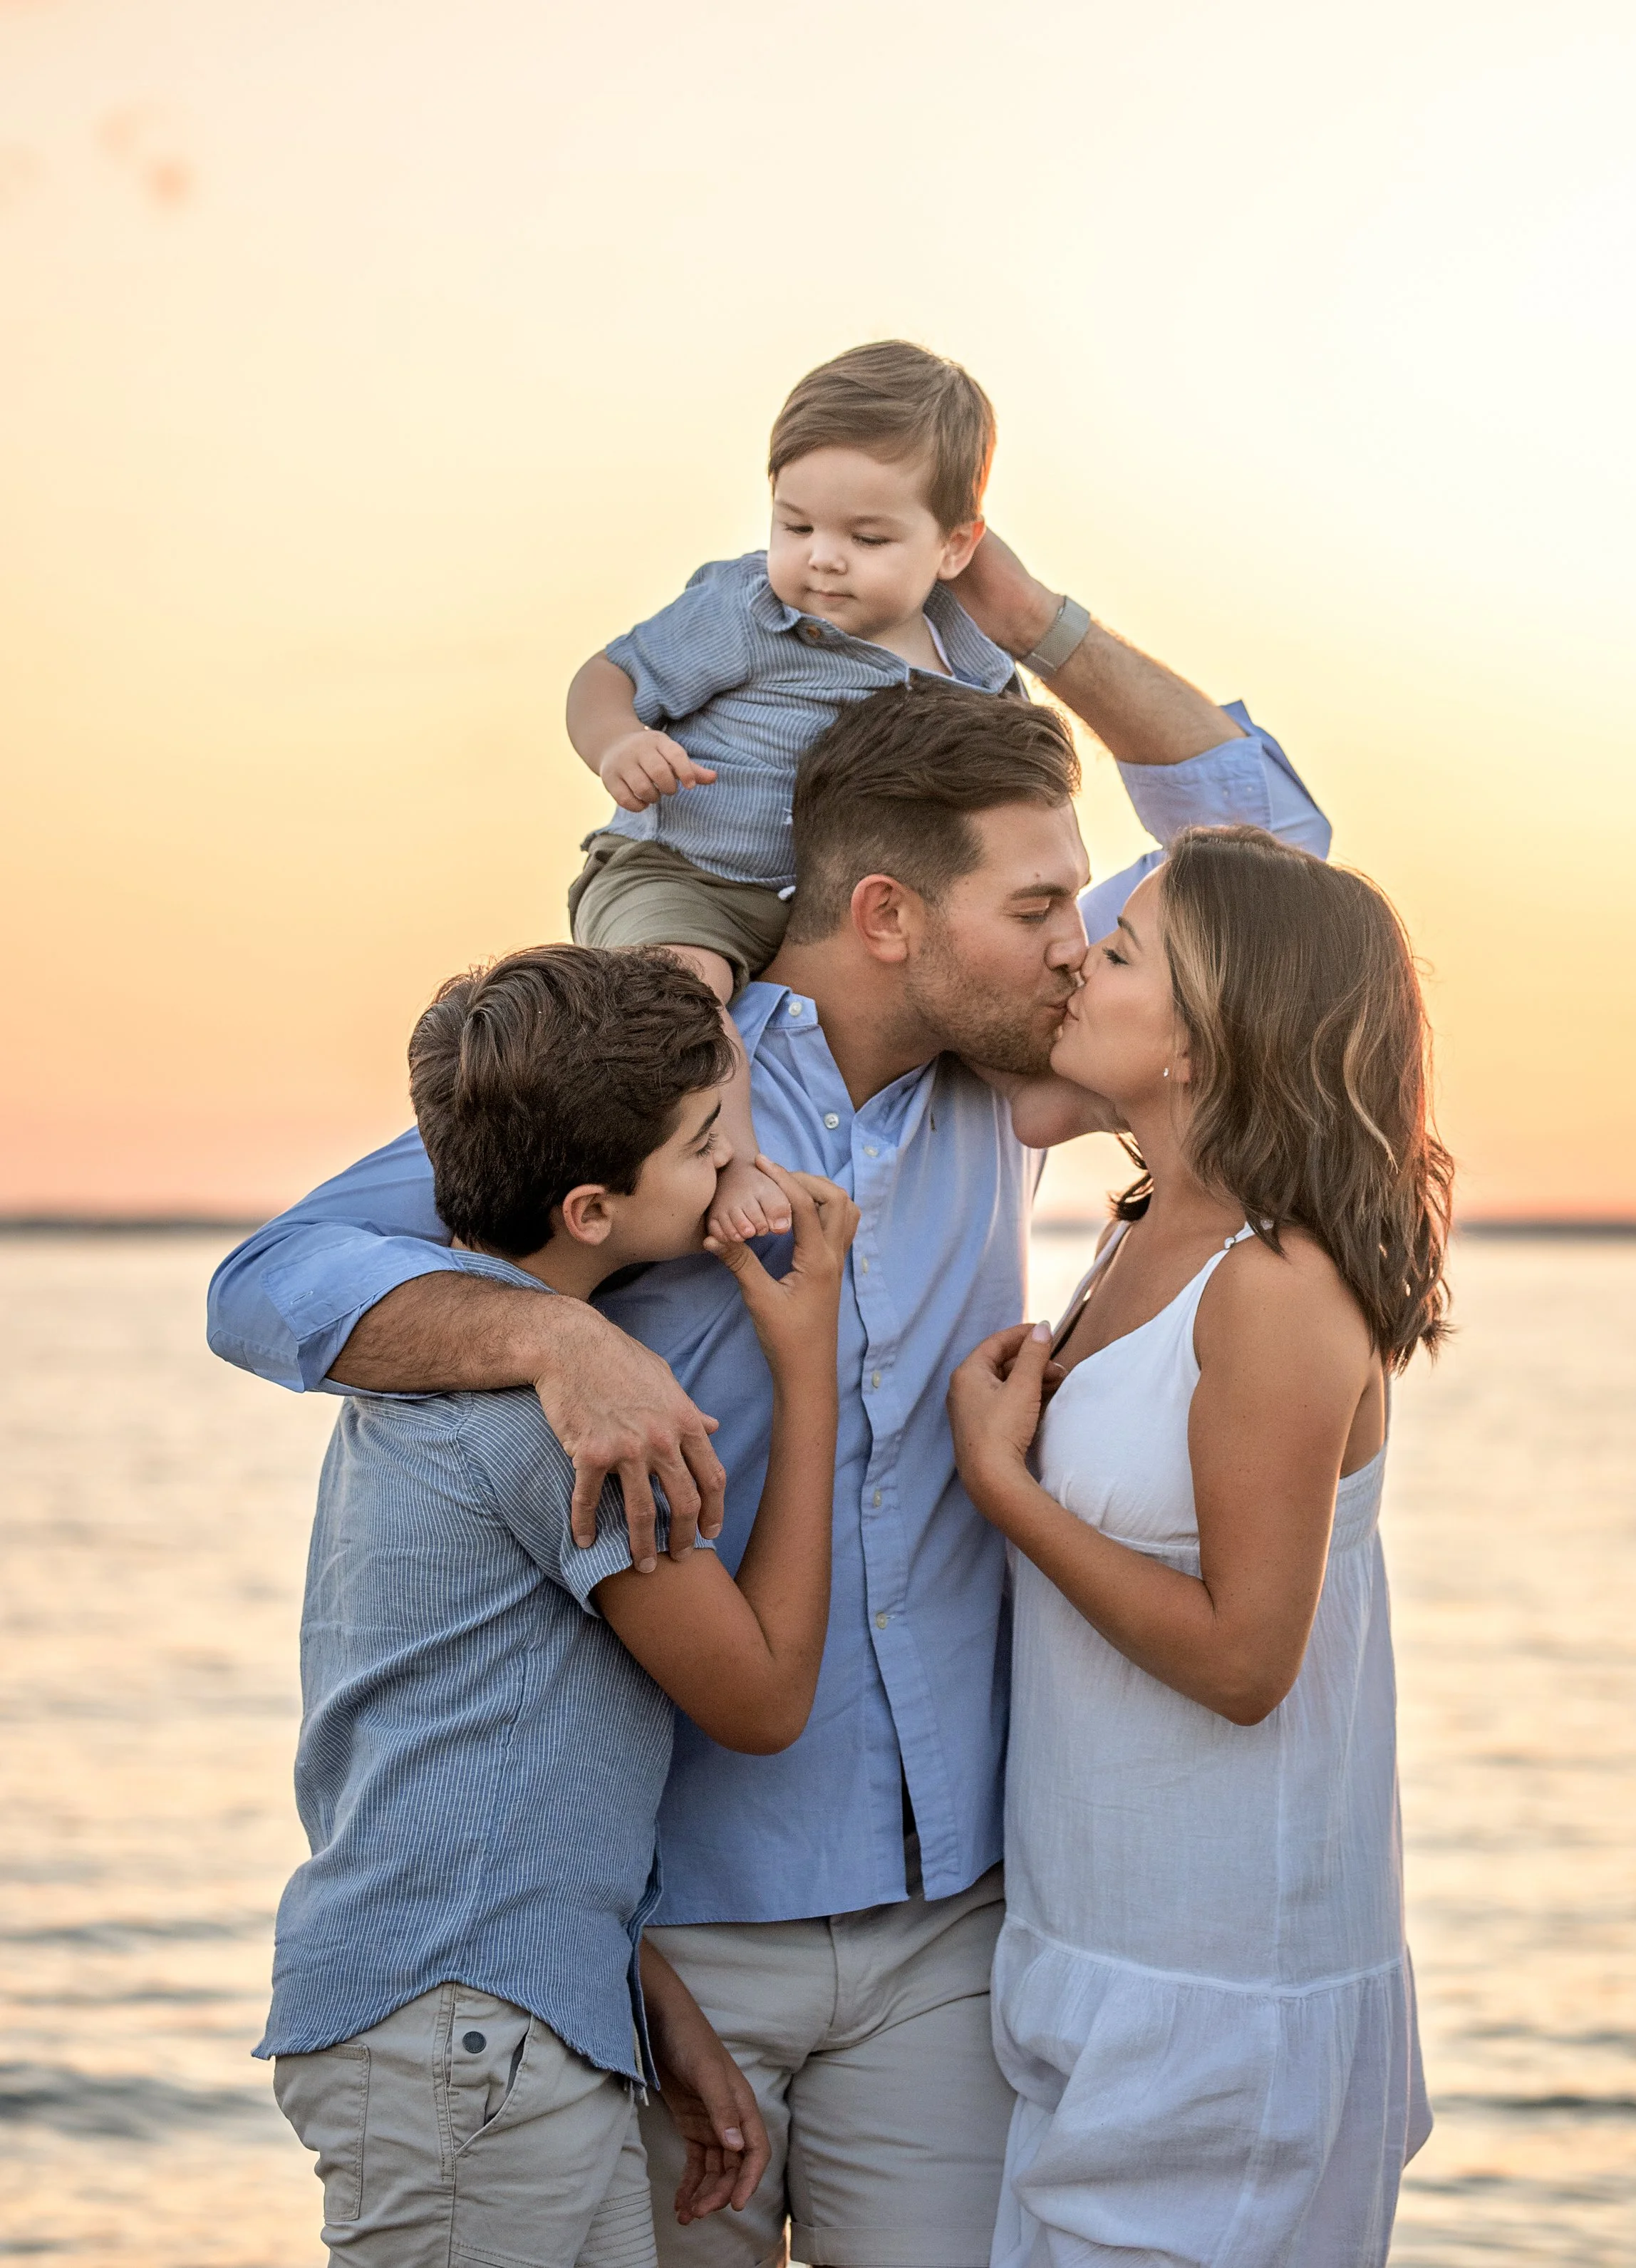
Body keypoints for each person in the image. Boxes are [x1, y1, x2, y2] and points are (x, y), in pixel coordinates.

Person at [208, 532, 1332, 2268]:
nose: (1071, 949)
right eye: (1039, 908)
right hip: (670, 1935)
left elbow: (1269, 863)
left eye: (1079, 914)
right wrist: (551, 1342)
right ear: (889, 914)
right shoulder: (656, 1085)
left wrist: (1017, 612)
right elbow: (270, 1278)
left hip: (950, 1928)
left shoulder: (1018, 1090)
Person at [262, 942, 858, 2265]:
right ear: (592, 1210)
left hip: (496, 2017)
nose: (735, 1168)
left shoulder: (453, 1373)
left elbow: (480, 1785)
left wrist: (640, 2009)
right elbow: (760, 1698)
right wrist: (806, 1364)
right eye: (709, 1143)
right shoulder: (561, 1426)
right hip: (462, 2043)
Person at [946, 828, 1451, 2266]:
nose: (1072, 963)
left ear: (1203, 1035)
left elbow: (1244, 1660)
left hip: (1229, 2008)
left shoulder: (1275, 1286)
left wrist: (1006, 1486)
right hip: (1090, 1962)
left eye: (1114, 954)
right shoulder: (1136, 1226)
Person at [566, 340, 1012, 1244]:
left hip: (820, 915)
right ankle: (731, 1169)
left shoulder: (974, 675)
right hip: (679, 871)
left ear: (956, 544)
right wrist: (620, 742)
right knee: (687, 999)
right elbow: (605, 678)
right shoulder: (747, 613)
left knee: (980, 1003)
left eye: (868, 538)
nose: (822, 561)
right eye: (795, 526)